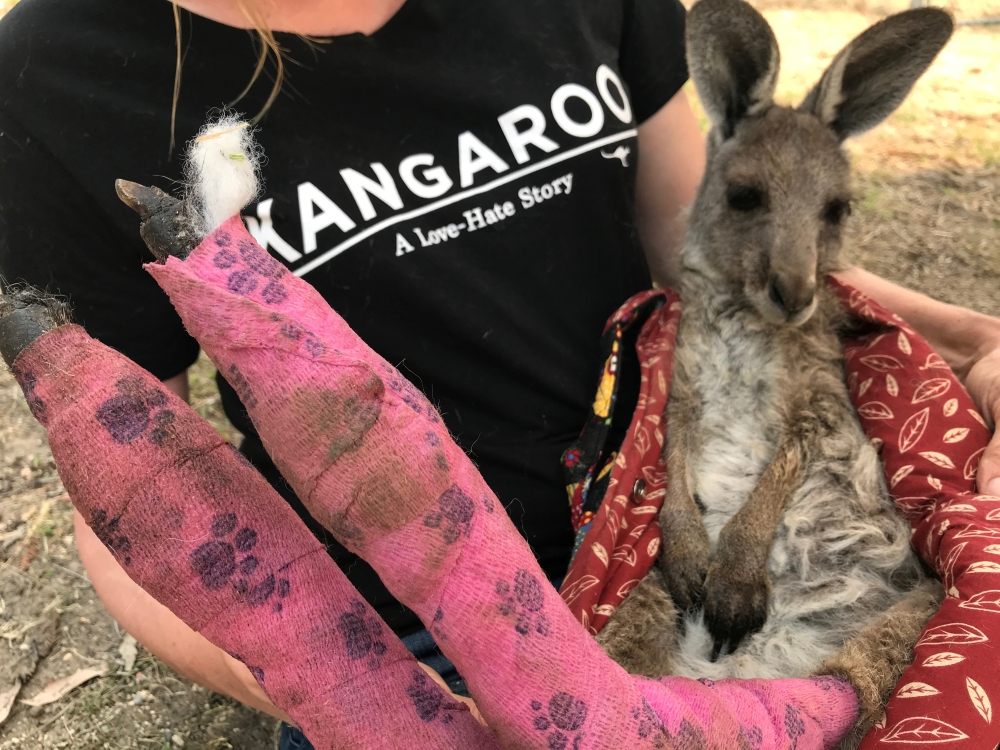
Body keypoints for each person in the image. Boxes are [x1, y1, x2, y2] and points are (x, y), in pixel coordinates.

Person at [1, 1, 999, 748]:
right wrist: (352, 684)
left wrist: (966, 343)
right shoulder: (50, 76)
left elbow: (699, 252)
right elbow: (126, 488)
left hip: (666, 544)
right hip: (409, 643)